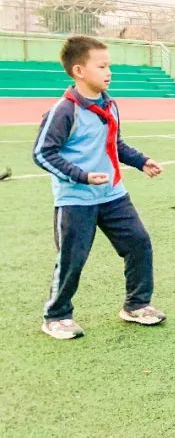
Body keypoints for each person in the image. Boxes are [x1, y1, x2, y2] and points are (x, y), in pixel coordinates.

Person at [31, 36, 165, 340]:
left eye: (109, 66)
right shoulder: (64, 111)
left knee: (138, 242)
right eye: (102, 66)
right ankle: (57, 315)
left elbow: (114, 144)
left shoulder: (109, 104)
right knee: (72, 257)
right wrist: (81, 175)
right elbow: (42, 153)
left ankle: (136, 305)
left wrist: (141, 161)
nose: (109, 72)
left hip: (113, 194)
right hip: (76, 198)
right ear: (79, 70)